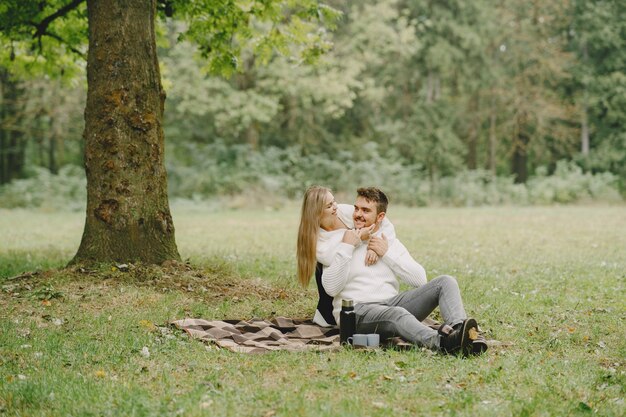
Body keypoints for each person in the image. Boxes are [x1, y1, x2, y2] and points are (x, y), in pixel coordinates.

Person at [320, 187, 486, 356]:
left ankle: (462, 333)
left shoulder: (388, 241)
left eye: (365, 210)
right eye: (356, 208)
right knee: (397, 314)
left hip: (391, 303)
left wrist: (386, 253)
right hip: (357, 313)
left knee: (446, 282)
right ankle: (444, 342)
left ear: (380, 217)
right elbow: (331, 288)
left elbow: (420, 279)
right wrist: (348, 246)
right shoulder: (342, 241)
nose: (357, 214)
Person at [296, 185, 396, 327]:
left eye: (334, 201)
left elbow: (385, 224)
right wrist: (359, 238)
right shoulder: (316, 240)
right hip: (335, 275)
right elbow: (332, 257)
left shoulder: (344, 211)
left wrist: (374, 243)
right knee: (332, 264)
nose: (336, 206)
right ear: (317, 213)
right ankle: (327, 312)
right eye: (329, 205)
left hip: (356, 276)